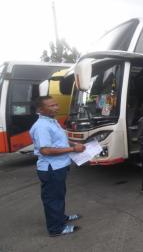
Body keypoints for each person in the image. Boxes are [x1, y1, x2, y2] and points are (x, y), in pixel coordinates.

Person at [29, 96, 85, 237]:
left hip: (59, 166)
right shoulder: (42, 126)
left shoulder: (51, 121)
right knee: (53, 199)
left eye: (56, 105)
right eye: (52, 106)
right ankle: (56, 229)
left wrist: (74, 145)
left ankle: (61, 218)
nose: (56, 108)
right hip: (51, 168)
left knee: (59, 196)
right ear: (40, 109)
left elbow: (61, 141)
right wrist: (73, 150)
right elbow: (45, 150)